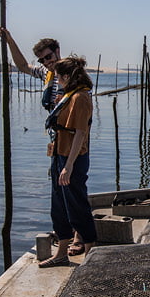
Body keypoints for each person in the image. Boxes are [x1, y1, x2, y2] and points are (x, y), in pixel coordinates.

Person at [39, 54, 96, 266]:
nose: (57, 81)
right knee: (59, 205)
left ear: (66, 76)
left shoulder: (81, 97)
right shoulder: (69, 95)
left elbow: (80, 133)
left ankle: (91, 254)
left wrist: (69, 166)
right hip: (59, 154)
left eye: (58, 77)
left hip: (73, 158)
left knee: (76, 205)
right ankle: (61, 253)